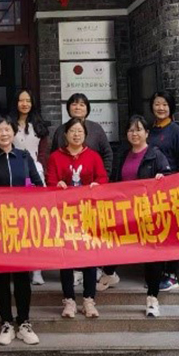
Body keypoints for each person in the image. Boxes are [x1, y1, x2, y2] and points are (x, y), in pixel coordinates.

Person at [0, 115, 43, 346]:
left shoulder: (24, 157)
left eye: (7, 129)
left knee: (23, 277)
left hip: (22, 227)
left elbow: (39, 186)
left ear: (13, 132)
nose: (3, 134)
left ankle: (24, 322)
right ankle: (6, 322)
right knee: (2, 277)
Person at [98, 115, 172, 319]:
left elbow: (168, 178)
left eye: (139, 129)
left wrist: (162, 178)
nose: (134, 133)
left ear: (147, 133)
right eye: (131, 130)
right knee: (114, 243)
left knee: (151, 256)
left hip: (148, 213)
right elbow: (115, 182)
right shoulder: (123, 155)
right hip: (125, 212)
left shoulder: (155, 155)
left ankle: (152, 299)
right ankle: (109, 273)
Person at [45, 117, 107, 319]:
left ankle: (89, 299)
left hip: (88, 214)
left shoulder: (93, 156)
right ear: (65, 135)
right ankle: (69, 300)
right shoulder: (55, 157)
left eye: (80, 131)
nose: (76, 134)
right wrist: (57, 185)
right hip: (65, 215)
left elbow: (102, 179)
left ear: (85, 135)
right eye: (72, 131)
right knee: (66, 258)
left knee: (89, 257)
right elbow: (50, 180)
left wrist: (97, 186)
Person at [147, 90, 179, 291]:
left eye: (165, 104)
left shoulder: (176, 131)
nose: (161, 108)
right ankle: (156, 272)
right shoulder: (149, 131)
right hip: (151, 191)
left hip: (171, 189)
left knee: (172, 231)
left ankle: (172, 274)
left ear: (171, 107)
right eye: (157, 104)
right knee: (156, 231)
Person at [12, 89, 50, 286]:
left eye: (28, 100)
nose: (24, 104)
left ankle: (37, 269)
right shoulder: (9, 124)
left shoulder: (39, 125)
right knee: (16, 224)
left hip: (36, 177)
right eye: (21, 100)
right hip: (14, 177)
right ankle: (18, 266)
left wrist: (38, 168)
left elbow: (43, 153)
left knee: (35, 224)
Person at [50, 93, 113, 177]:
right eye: (74, 104)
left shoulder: (96, 129)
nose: (77, 107)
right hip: (65, 180)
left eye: (82, 105)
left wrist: (103, 176)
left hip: (93, 181)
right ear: (68, 108)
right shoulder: (60, 130)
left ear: (87, 109)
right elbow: (53, 157)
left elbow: (107, 154)